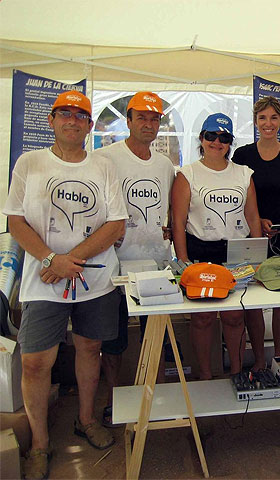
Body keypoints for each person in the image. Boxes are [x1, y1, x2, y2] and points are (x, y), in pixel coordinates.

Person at [3, 91, 127, 479]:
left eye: (81, 115)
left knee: (90, 349)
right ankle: (40, 443)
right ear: (52, 120)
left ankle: (86, 420)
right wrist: (50, 259)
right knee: (37, 361)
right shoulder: (30, 163)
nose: (73, 120)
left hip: (94, 279)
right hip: (44, 280)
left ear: (90, 125)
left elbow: (116, 223)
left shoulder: (103, 166)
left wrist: (68, 260)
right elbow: (15, 221)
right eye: (65, 114)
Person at [99, 91, 175, 426]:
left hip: (154, 264)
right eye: (141, 117)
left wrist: (169, 231)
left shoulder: (164, 164)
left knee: (153, 334)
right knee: (113, 339)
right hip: (113, 265)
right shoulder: (106, 158)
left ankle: (153, 397)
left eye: (154, 118)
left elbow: (168, 208)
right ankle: (116, 399)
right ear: (128, 120)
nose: (148, 123)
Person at [171, 113, 262, 378]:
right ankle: (206, 375)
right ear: (201, 138)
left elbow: (252, 217)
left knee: (235, 316)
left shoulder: (244, 174)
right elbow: (178, 223)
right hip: (200, 252)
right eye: (211, 136)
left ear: (230, 142)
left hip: (236, 254)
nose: (217, 142)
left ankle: (236, 372)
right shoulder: (187, 174)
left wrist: (258, 257)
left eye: (223, 138)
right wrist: (183, 262)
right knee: (203, 318)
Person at [232, 96, 280, 354]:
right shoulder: (242, 155)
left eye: (273, 117)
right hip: (252, 233)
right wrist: (257, 222)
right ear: (255, 121)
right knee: (252, 297)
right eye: (263, 118)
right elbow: (238, 197)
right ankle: (259, 359)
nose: (268, 123)